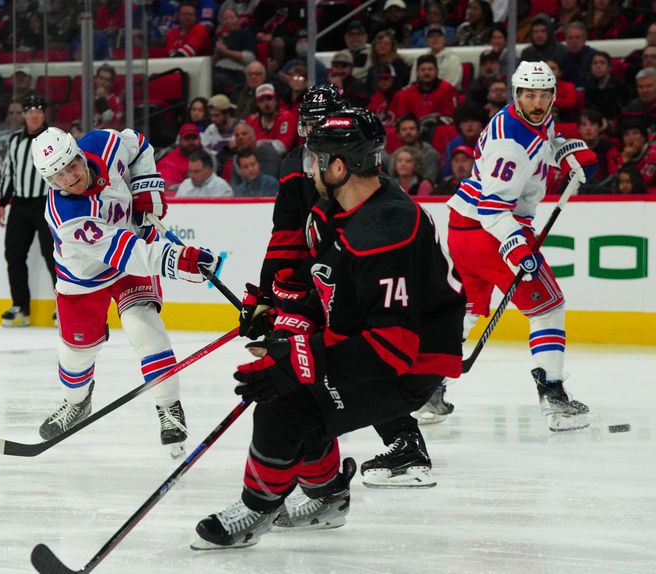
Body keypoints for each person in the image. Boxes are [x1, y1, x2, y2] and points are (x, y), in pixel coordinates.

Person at [193, 108, 465, 549]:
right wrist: (278, 309)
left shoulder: (387, 229)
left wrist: (300, 361)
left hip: (410, 366)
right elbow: (323, 281)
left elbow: (392, 347)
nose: (309, 168)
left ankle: (257, 509)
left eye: (316, 159)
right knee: (307, 406)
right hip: (358, 336)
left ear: (339, 166)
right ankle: (328, 499)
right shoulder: (334, 209)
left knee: (288, 405)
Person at [239, 85, 455, 487]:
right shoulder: (295, 165)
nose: (312, 134)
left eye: (319, 125)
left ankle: (404, 442)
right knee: (313, 368)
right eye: (306, 125)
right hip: (321, 272)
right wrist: (270, 293)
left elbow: (368, 239)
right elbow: (285, 235)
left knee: (351, 352)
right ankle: (316, 477)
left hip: (351, 274)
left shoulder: (358, 170)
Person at [30, 126, 220, 456]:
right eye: (57, 176)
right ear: (49, 181)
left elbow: (140, 145)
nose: (69, 179)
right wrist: (180, 261)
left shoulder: (104, 143)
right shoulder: (69, 216)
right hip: (84, 280)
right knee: (76, 355)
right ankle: (76, 402)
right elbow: (131, 254)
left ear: (79, 154)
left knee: (145, 328)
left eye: (71, 166)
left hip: (130, 260)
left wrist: (146, 188)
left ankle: (169, 409)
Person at [446, 61, 597, 432]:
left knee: (464, 313)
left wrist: (565, 151)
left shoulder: (530, 118)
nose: (537, 101)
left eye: (544, 94)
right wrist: (517, 250)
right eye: (529, 94)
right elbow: (493, 209)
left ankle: (428, 391)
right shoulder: (508, 144)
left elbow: (544, 140)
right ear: (517, 94)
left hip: (461, 228)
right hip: (490, 231)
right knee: (549, 308)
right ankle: (555, 402)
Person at [0, 94, 57, 328]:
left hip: (45, 203)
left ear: (44, 115)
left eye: (38, 111)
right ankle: (20, 307)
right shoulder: (14, 141)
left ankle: (63, 306)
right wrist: (2, 203)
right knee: (14, 255)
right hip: (20, 204)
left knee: (53, 255)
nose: (34, 115)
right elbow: (9, 173)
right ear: (23, 115)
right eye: (30, 110)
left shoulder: (54, 139)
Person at [157, 123, 203, 194]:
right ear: (180, 140)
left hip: (178, 197)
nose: (191, 142)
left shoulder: (205, 159)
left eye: (194, 138)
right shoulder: (167, 151)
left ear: (200, 139)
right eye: (187, 138)